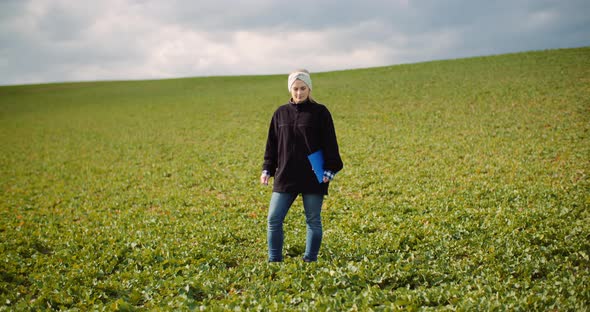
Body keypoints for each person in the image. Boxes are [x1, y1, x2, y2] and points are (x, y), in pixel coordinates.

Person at [260, 69, 343, 262]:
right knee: (273, 219)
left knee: (313, 220)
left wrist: (330, 170)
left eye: (303, 88)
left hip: (313, 175)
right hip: (286, 175)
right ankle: (274, 261)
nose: (299, 93)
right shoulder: (280, 114)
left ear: (309, 88)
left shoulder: (320, 112)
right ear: (290, 89)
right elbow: (272, 145)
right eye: (295, 89)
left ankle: (310, 260)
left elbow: (330, 143)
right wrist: (267, 169)